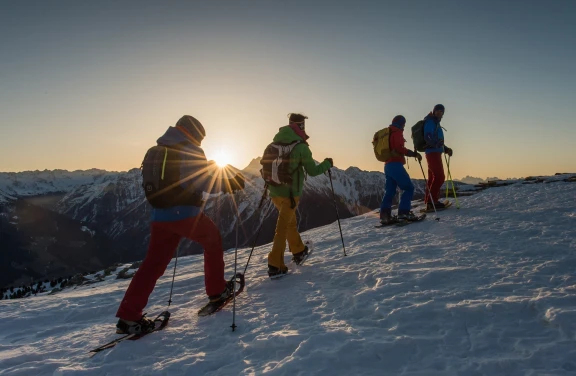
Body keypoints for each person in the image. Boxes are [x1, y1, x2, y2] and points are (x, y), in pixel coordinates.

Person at [115, 115, 245, 334]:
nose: (200, 143)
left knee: (152, 265)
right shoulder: (189, 149)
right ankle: (217, 291)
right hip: (184, 213)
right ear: (195, 134)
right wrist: (229, 184)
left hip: (159, 216)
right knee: (212, 240)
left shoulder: (157, 149)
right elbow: (201, 181)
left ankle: (128, 317)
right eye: (200, 138)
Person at [266, 113, 333, 278]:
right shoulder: (301, 147)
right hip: (290, 194)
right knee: (282, 228)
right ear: (301, 127)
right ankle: (275, 265)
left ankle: (298, 250)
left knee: (289, 223)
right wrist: (327, 164)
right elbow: (313, 171)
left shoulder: (274, 143)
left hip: (274, 192)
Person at [379, 115, 422, 224]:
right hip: (395, 164)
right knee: (408, 188)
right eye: (404, 123)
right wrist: (412, 154)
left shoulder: (388, 132)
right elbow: (399, 148)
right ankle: (404, 212)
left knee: (390, 191)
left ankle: (385, 215)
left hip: (387, 165)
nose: (404, 126)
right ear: (401, 123)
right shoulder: (397, 132)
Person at [423, 104, 453, 210]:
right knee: (440, 177)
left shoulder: (435, 123)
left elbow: (438, 141)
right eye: (438, 111)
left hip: (434, 152)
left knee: (432, 178)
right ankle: (432, 202)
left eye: (441, 112)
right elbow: (428, 136)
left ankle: (429, 201)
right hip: (433, 153)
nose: (439, 113)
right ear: (434, 111)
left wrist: (446, 149)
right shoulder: (431, 122)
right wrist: (437, 145)